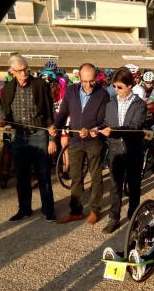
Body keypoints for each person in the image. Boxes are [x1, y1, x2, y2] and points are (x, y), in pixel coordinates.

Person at [0, 55, 56, 222]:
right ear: (12, 71)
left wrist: (51, 137)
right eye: (20, 71)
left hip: (39, 135)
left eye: (26, 69)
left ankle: (48, 209)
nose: (24, 73)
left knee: (43, 175)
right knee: (22, 176)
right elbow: (5, 114)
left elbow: (50, 112)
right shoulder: (6, 89)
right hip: (18, 137)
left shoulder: (41, 85)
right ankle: (25, 209)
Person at [91, 67, 147, 234]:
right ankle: (113, 218)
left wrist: (113, 130)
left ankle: (133, 217)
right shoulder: (110, 104)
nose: (116, 90)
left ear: (130, 85)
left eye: (120, 87)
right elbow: (107, 123)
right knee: (115, 186)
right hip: (115, 150)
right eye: (114, 86)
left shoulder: (140, 104)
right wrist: (97, 128)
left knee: (134, 186)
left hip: (133, 150)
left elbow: (135, 127)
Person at [53, 63, 110, 225]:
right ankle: (76, 211)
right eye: (84, 81)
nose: (88, 85)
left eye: (91, 81)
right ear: (79, 77)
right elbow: (63, 112)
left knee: (96, 177)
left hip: (94, 142)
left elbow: (103, 119)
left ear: (96, 78)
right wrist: (55, 126)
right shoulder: (71, 91)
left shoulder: (103, 94)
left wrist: (94, 129)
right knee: (76, 177)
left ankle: (94, 210)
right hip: (76, 141)